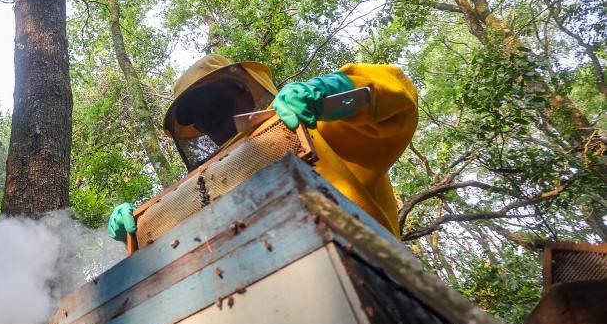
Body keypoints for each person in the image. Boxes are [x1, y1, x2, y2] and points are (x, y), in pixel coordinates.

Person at [108, 54, 418, 240]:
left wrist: (331, 92)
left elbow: (397, 95)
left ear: (244, 91)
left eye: (216, 101)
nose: (210, 117)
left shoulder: (312, 125)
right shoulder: (213, 188)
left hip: (374, 278)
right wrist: (139, 231)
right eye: (200, 117)